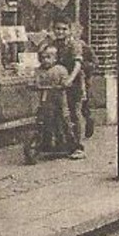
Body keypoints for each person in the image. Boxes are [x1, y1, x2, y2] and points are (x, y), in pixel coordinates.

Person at [32, 44, 81, 160]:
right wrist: (34, 84)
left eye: (48, 57)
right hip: (46, 99)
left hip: (59, 98)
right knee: (45, 118)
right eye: (43, 57)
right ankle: (46, 142)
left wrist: (65, 83)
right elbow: (36, 80)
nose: (45, 60)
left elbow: (65, 81)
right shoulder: (39, 70)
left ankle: (74, 145)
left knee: (64, 119)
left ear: (55, 58)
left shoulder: (60, 69)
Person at [45, 19, 86, 152]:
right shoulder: (52, 45)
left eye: (64, 29)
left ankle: (79, 146)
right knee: (57, 112)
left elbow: (78, 64)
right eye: (57, 29)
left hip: (73, 83)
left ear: (69, 30)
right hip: (58, 83)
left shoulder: (74, 45)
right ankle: (61, 142)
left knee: (74, 112)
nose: (60, 32)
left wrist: (70, 79)